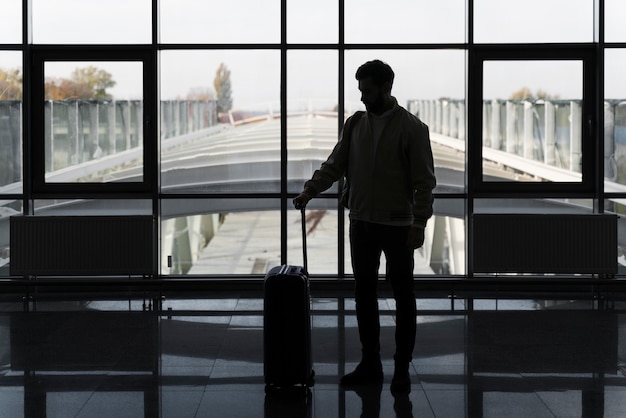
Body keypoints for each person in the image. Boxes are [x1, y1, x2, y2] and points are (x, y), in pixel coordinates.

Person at [293, 59, 436, 394]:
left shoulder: (412, 129)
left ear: (385, 88)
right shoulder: (355, 124)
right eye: (360, 90)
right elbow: (335, 163)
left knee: (403, 296)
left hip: (398, 225)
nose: (361, 97)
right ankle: (370, 362)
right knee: (364, 294)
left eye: (367, 90)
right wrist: (310, 190)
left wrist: (419, 223)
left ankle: (401, 367)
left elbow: (424, 183)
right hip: (361, 221)